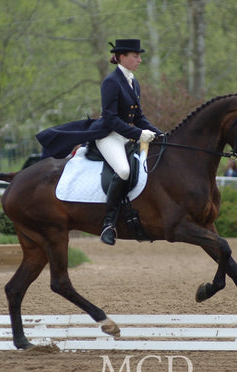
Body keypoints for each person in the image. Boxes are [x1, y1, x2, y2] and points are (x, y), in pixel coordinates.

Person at [36, 38, 162, 245]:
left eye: (139, 56)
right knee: (123, 171)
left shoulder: (133, 81)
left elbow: (139, 116)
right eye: (136, 56)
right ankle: (109, 223)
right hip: (108, 136)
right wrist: (140, 134)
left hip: (127, 135)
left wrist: (159, 133)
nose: (139, 60)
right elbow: (111, 119)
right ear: (122, 57)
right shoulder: (111, 82)